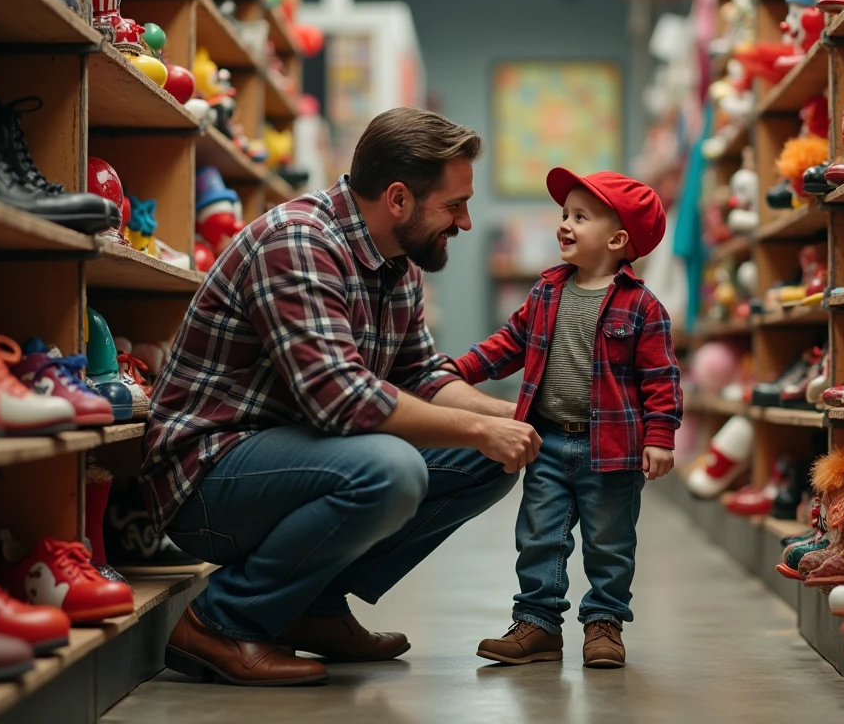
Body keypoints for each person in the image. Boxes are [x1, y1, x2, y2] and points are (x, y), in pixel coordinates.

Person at [141, 107, 543, 687]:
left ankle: (312, 607)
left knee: (488, 459)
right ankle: (221, 621)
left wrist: (520, 418)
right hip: (208, 479)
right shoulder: (298, 241)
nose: (465, 221)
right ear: (399, 199)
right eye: (454, 205)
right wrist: (481, 428)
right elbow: (341, 400)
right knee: (390, 469)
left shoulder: (397, 262)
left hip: (295, 458)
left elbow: (423, 375)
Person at [448, 168, 682, 669]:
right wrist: (460, 369)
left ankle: (604, 623)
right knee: (539, 535)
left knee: (610, 543)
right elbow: (509, 342)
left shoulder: (643, 307)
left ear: (617, 240)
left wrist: (660, 436)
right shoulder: (547, 291)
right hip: (548, 441)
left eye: (580, 217)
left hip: (612, 450)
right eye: (564, 214)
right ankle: (537, 624)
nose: (564, 224)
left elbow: (661, 377)